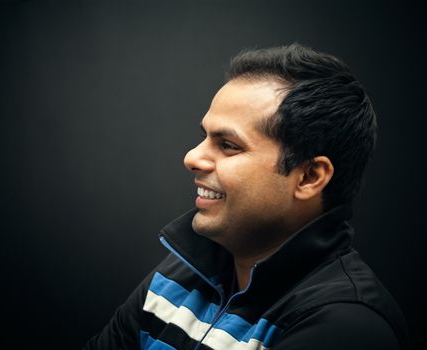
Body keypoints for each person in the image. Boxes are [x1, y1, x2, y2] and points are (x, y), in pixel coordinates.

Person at [83, 44, 408, 349]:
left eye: (228, 145)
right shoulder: (178, 276)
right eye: (204, 137)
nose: (192, 157)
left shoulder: (345, 324)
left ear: (309, 177)